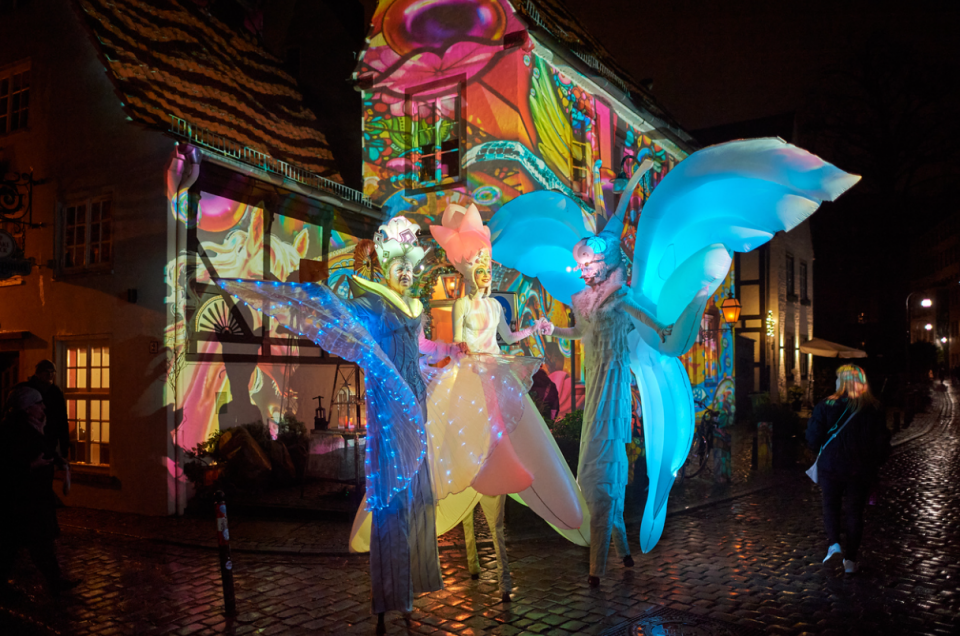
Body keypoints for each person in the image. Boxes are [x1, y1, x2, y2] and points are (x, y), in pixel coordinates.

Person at [220, 216, 465, 633]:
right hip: (390, 411)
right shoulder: (372, 303)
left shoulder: (415, 307)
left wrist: (446, 350)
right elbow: (347, 320)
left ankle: (411, 588)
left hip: (418, 405)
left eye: (410, 264)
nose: (405, 271)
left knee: (422, 501)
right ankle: (390, 599)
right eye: (398, 263)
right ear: (386, 265)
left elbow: (419, 348)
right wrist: (321, 295)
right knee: (391, 506)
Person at [542, 222, 672, 587]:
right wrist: (552, 330)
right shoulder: (581, 301)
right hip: (594, 381)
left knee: (602, 467)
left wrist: (663, 329)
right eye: (580, 266)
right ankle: (621, 549)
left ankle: (599, 562)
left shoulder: (618, 294)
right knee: (593, 467)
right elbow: (579, 333)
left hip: (613, 382)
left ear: (603, 263)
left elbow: (646, 318)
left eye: (588, 264)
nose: (583, 271)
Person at [806, 364, 891, 574]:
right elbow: (882, 442)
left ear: (841, 382)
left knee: (830, 506)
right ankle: (850, 561)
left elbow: (813, 437)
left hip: (831, 466)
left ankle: (834, 544)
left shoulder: (826, 405)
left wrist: (821, 451)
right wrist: (874, 462)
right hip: (860, 469)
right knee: (855, 512)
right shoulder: (874, 408)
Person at [0, 386, 79, 594]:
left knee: (37, 543)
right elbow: (7, 463)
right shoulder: (12, 430)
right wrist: (30, 466)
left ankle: (55, 581)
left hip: (35, 496)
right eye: (38, 403)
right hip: (22, 498)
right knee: (16, 544)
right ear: (27, 408)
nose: (43, 406)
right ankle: (54, 582)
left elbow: (44, 448)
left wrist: (58, 459)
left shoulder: (35, 426)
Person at [25, 360, 71, 459]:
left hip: (50, 437)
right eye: (47, 371)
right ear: (38, 373)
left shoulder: (55, 392)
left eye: (52, 372)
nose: (50, 375)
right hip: (30, 437)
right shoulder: (28, 389)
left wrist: (64, 447)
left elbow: (62, 419)